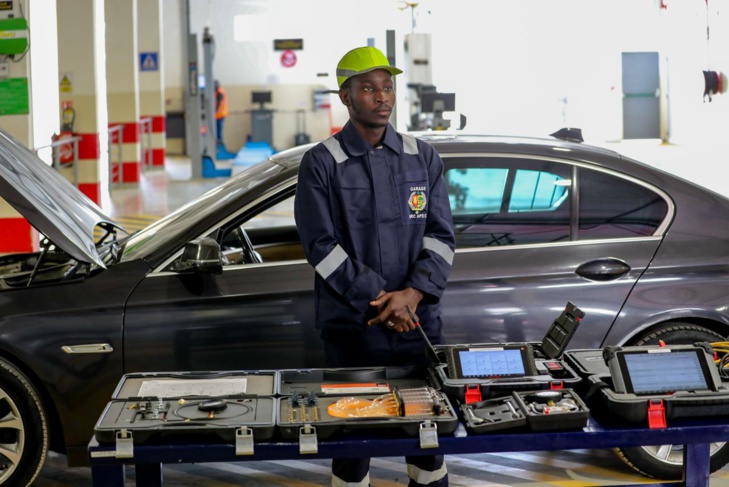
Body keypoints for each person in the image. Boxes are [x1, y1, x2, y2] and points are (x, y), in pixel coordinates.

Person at [294, 46, 455, 487]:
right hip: (354, 330)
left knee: (427, 439)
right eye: (368, 88)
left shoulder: (422, 157)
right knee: (352, 446)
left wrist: (413, 295)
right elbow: (321, 245)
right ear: (345, 97)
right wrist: (383, 299)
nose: (382, 97)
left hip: (418, 326)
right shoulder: (322, 163)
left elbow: (441, 237)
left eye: (387, 87)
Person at [214, 80, 229, 147]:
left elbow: (218, 103)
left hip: (220, 114)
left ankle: (219, 143)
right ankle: (218, 142)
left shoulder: (219, 92)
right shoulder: (217, 91)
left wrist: (214, 110)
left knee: (218, 130)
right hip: (218, 115)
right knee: (217, 129)